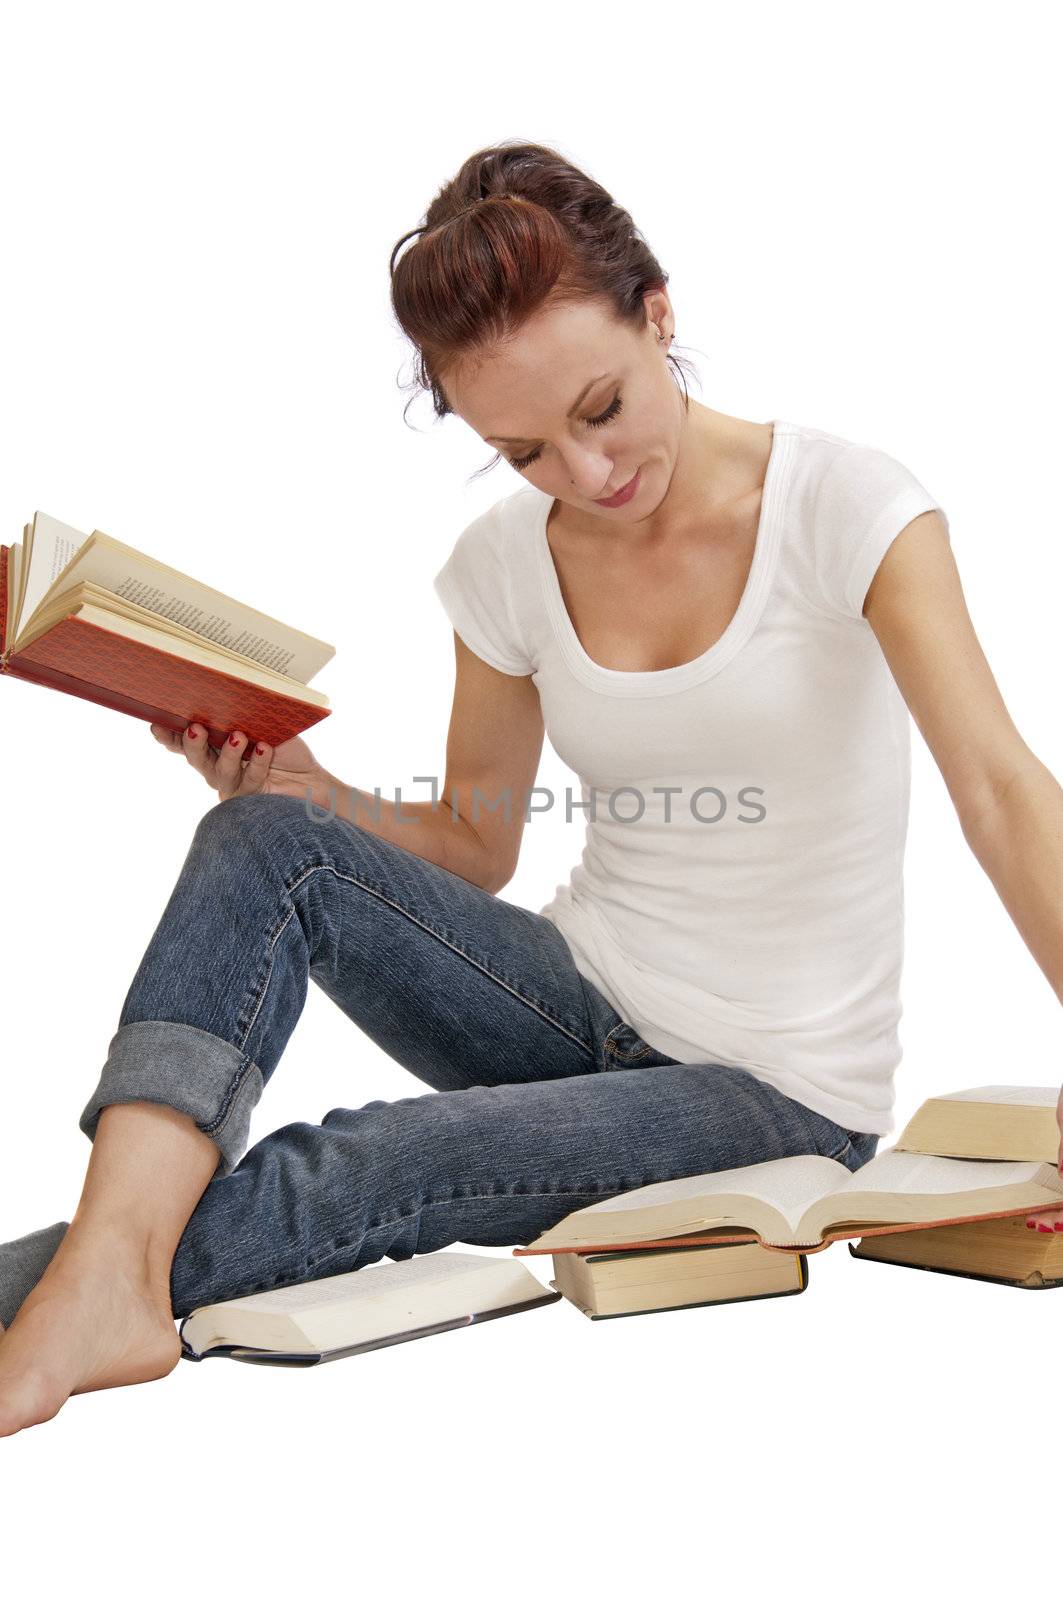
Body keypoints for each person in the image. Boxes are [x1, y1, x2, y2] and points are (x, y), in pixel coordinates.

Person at [2, 139, 1061, 1438]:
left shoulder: (850, 505)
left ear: (658, 314)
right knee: (263, 838)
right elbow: (476, 844)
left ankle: (62, 1294)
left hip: (770, 1095)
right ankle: (103, 1280)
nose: (586, 473)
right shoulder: (504, 563)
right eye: (527, 451)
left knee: (360, 1164)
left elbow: (1005, 792)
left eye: (603, 408)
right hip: (573, 997)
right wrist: (305, 788)